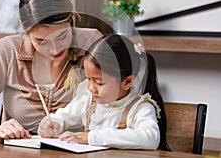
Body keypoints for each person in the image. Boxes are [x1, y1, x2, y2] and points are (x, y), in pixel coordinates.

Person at [0, 0, 102, 142]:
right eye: (41, 41)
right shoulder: (7, 50)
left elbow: (123, 108)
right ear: (26, 32)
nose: (54, 49)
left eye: (61, 37)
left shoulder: (92, 43)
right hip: (18, 154)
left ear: (71, 21)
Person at [38, 34, 171, 151]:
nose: (91, 87)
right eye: (88, 79)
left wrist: (91, 137)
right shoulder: (89, 100)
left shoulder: (139, 108)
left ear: (127, 82)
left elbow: (150, 139)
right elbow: (64, 116)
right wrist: (51, 123)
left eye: (100, 83)